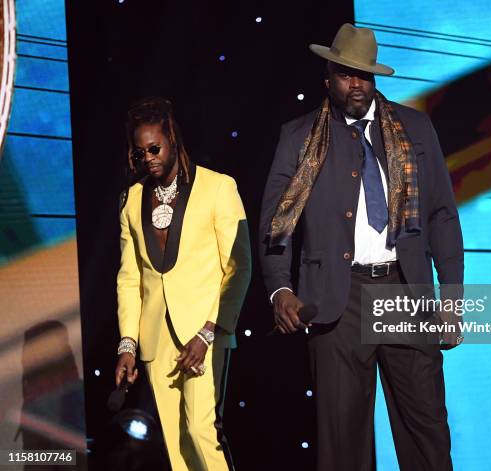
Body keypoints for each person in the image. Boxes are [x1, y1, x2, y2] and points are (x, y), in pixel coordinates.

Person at [259, 24, 464, 471]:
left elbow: (442, 216)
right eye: (347, 74)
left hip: (404, 290)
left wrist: (451, 299)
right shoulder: (299, 137)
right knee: (343, 441)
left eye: (365, 75)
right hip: (338, 298)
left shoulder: (414, 128)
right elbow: (276, 225)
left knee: (426, 430)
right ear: (328, 77)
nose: (357, 84)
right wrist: (279, 289)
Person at [114, 97, 251, 471]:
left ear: (172, 138)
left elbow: (238, 269)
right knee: (176, 445)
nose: (149, 159)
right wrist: (128, 343)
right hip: (158, 341)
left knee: (202, 430)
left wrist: (208, 332)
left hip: (205, 335)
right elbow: (130, 278)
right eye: (140, 153)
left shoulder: (218, 187)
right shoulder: (132, 201)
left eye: (154, 148)